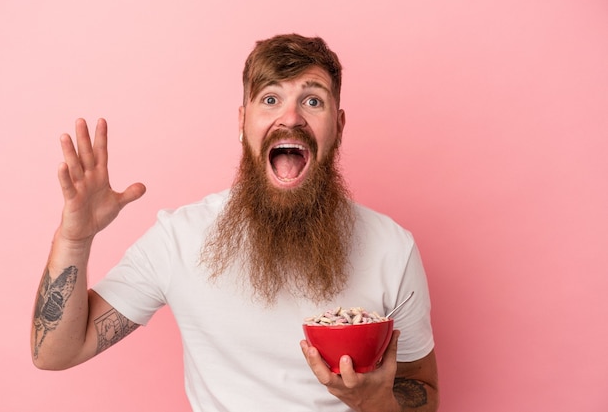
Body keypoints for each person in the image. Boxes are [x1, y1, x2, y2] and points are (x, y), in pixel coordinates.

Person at [31, 33, 439, 411]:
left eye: (313, 101)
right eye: (270, 99)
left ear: (339, 127)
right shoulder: (179, 239)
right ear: (242, 124)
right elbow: (55, 353)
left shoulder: (392, 247)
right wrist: (74, 238)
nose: (292, 117)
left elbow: (424, 388)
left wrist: (377, 402)